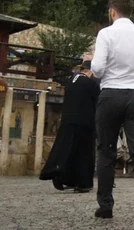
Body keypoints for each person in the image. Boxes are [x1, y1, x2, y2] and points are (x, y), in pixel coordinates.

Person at [91, 0, 134, 222]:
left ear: (112, 11)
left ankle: (106, 205)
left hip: (111, 94)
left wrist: (95, 66)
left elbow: (98, 68)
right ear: (131, 11)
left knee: (106, 150)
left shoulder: (106, 34)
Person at [39, 61, 100, 192]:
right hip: (85, 122)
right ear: (90, 71)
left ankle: (61, 175)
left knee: (66, 149)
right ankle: (82, 183)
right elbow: (98, 101)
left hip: (67, 120)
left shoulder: (71, 81)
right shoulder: (90, 83)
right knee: (83, 153)